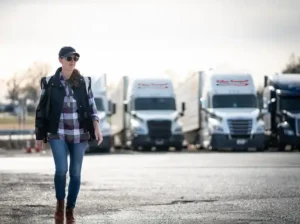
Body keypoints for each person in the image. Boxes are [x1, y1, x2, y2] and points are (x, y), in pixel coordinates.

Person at [35, 46, 103, 223]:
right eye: (68, 58)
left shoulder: (84, 82)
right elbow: (41, 110)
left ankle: (70, 209)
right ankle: (59, 204)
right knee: (61, 170)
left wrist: (96, 127)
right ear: (60, 60)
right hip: (58, 133)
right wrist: (39, 136)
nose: (72, 61)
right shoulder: (49, 82)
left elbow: (91, 107)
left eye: (75, 58)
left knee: (75, 173)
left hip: (80, 133)